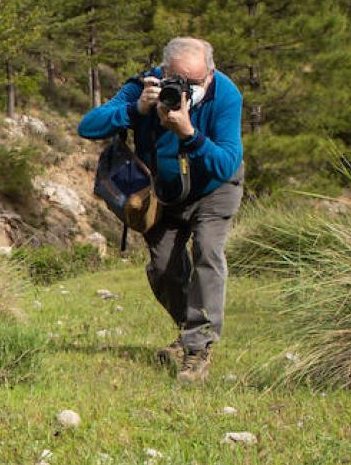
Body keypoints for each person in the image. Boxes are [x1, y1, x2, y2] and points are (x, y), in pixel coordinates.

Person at [77, 36, 244, 382]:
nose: (187, 91)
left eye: (197, 83)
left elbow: (227, 162)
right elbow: (87, 126)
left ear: (210, 74)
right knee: (164, 266)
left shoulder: (226, 94)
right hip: (165, 192)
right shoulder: (144, 87)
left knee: (208, 251)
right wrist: (135, 109)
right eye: (179, 81)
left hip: (214, 187)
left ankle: (198, 350)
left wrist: (190, 135)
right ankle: (188, 330)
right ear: (164, 72)